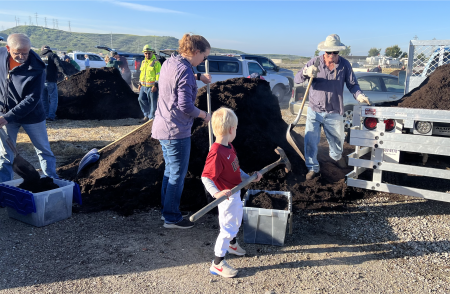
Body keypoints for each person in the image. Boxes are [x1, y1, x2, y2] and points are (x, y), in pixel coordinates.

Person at [151, 33, 213, 229]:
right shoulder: (185, 71)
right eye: (204, 56)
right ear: (196, 52)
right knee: (177, 174)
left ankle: (166, 211)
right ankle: (171, 218)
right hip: (175, 130)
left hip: (163, 125)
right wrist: (204, 115)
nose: (204, 60)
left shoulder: (170, 62)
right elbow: (186, 106)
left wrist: (198, 76)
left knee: (170, 171)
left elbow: (177, 77)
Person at [295, 34, 371, 180]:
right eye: (329, 52)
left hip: (334, 112)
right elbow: (297, 79)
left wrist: (359, 95)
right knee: (310, 141)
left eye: (335, 52)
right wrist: (306, 72)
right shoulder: (314, 63)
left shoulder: (345, 65)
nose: (331, 55)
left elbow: (352, 84)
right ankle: (312, 168)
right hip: (315, 110)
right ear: (324, 51)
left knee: (337, 141)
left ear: (338, 52)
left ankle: (336, 157)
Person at [201, 107, 262, 278]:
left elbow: (236, 170)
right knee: (228, 227)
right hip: (226, 196)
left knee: (234, 221)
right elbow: (206, 177)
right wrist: (216, 194)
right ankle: (217, 263)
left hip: (235, 192)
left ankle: (232, 245)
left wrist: (249, 177)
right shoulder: (216, 152)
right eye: (235, 128)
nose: (236, 130)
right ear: (230, 129)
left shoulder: (229, 146)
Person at [0, 34, 57, 182]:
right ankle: (5, 187)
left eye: (25, 53)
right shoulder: (1, 55)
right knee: (6, 154)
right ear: (8, 48)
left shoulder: (36, 68)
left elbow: (32, 99)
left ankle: (51, 182)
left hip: (31, 116)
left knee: (43, 150)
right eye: (16, 53)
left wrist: (6, 118)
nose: (21, 57)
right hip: (5, 114)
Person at [40, 45, 69, 121]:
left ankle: (45, 116)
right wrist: (65, 74)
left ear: (42, 49)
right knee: (53, 99)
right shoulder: (52, 55)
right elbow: (59, 65)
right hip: (51, 81)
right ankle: (51, 116)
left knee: (44, 99)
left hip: (41, 81)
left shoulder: (39, 56)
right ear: (49, 49)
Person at [137, 45, 161, 123]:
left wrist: (156, 85)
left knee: (152, 103)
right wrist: (140, 83)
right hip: (143, 86)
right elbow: (142, 73)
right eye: (146, 53)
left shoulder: (156, 63)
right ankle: (146, 115)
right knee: (140, 99)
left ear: (152, 53)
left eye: (149, 53)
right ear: (144, 53)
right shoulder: (143, 62)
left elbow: (158, 75)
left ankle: (152, 119)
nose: (147, 55)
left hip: (152, 87)